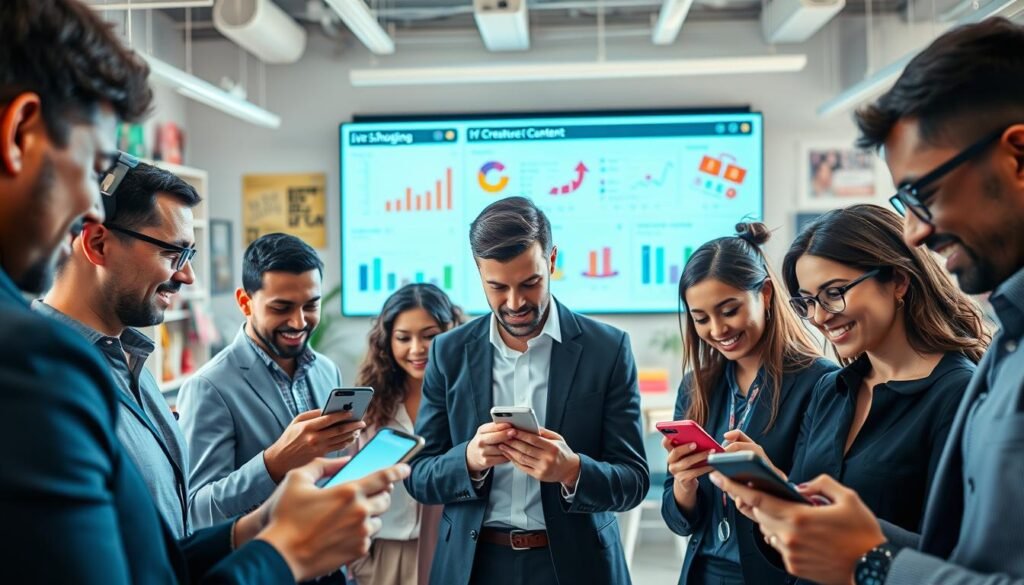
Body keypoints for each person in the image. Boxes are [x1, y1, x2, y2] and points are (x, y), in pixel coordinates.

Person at [0, 1, 406, 582]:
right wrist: (283, 554)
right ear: (20, 133)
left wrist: (257, 527)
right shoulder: (34, 363)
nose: (89, 206)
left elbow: (157, 555)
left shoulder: (136, 367)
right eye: (89, 166)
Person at [711, 17, 1024, 585]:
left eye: (922, 196)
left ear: (898, 282)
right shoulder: (839, 386)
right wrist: (776, 496)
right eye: (809, 299)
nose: (917, 232)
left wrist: (873, 558)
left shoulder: (957, 385)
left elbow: (946, 553)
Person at [405, 196, 649, 585]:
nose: (515, 302)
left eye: (530, 283)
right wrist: (468, 459)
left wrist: (571, 470)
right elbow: (417, 475)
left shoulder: (608, 350)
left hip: (576, 566)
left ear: (551, 261)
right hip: (473, 566)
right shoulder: (449, 352)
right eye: (498, 287)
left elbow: (634, 480)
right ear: (478, 272)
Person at [661, 222, 837, 585]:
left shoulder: (819, 381)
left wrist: (767, 478)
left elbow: (820, 510)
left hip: (774, 574)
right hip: (703, 573)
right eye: (701, 319)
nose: (718, 329)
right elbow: (679, 520)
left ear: (767, 294)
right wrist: (684, 484)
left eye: (729, 310)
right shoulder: (696, 386)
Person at [34, 161, 200, 538]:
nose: (187, 276)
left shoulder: (133, 360)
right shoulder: (41, 379)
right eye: (174, 253)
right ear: (98, 243)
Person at [179, 233, 364, 533]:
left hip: (329, 562)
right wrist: (273, 464)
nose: (299, 322)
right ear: (245, 302)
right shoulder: (208, 387)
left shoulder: (327, 371)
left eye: (310, 306)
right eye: (281, 308)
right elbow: (198, 511)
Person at [349, 283, 465, 585]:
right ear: (387, 341)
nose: (417, 349)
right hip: (381, 554)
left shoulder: (468, 398)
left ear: (453, 332)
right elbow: (349, 488)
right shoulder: (370, 405)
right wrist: (358, 562)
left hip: (450, 551)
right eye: (404, 338)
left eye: (430, 336)